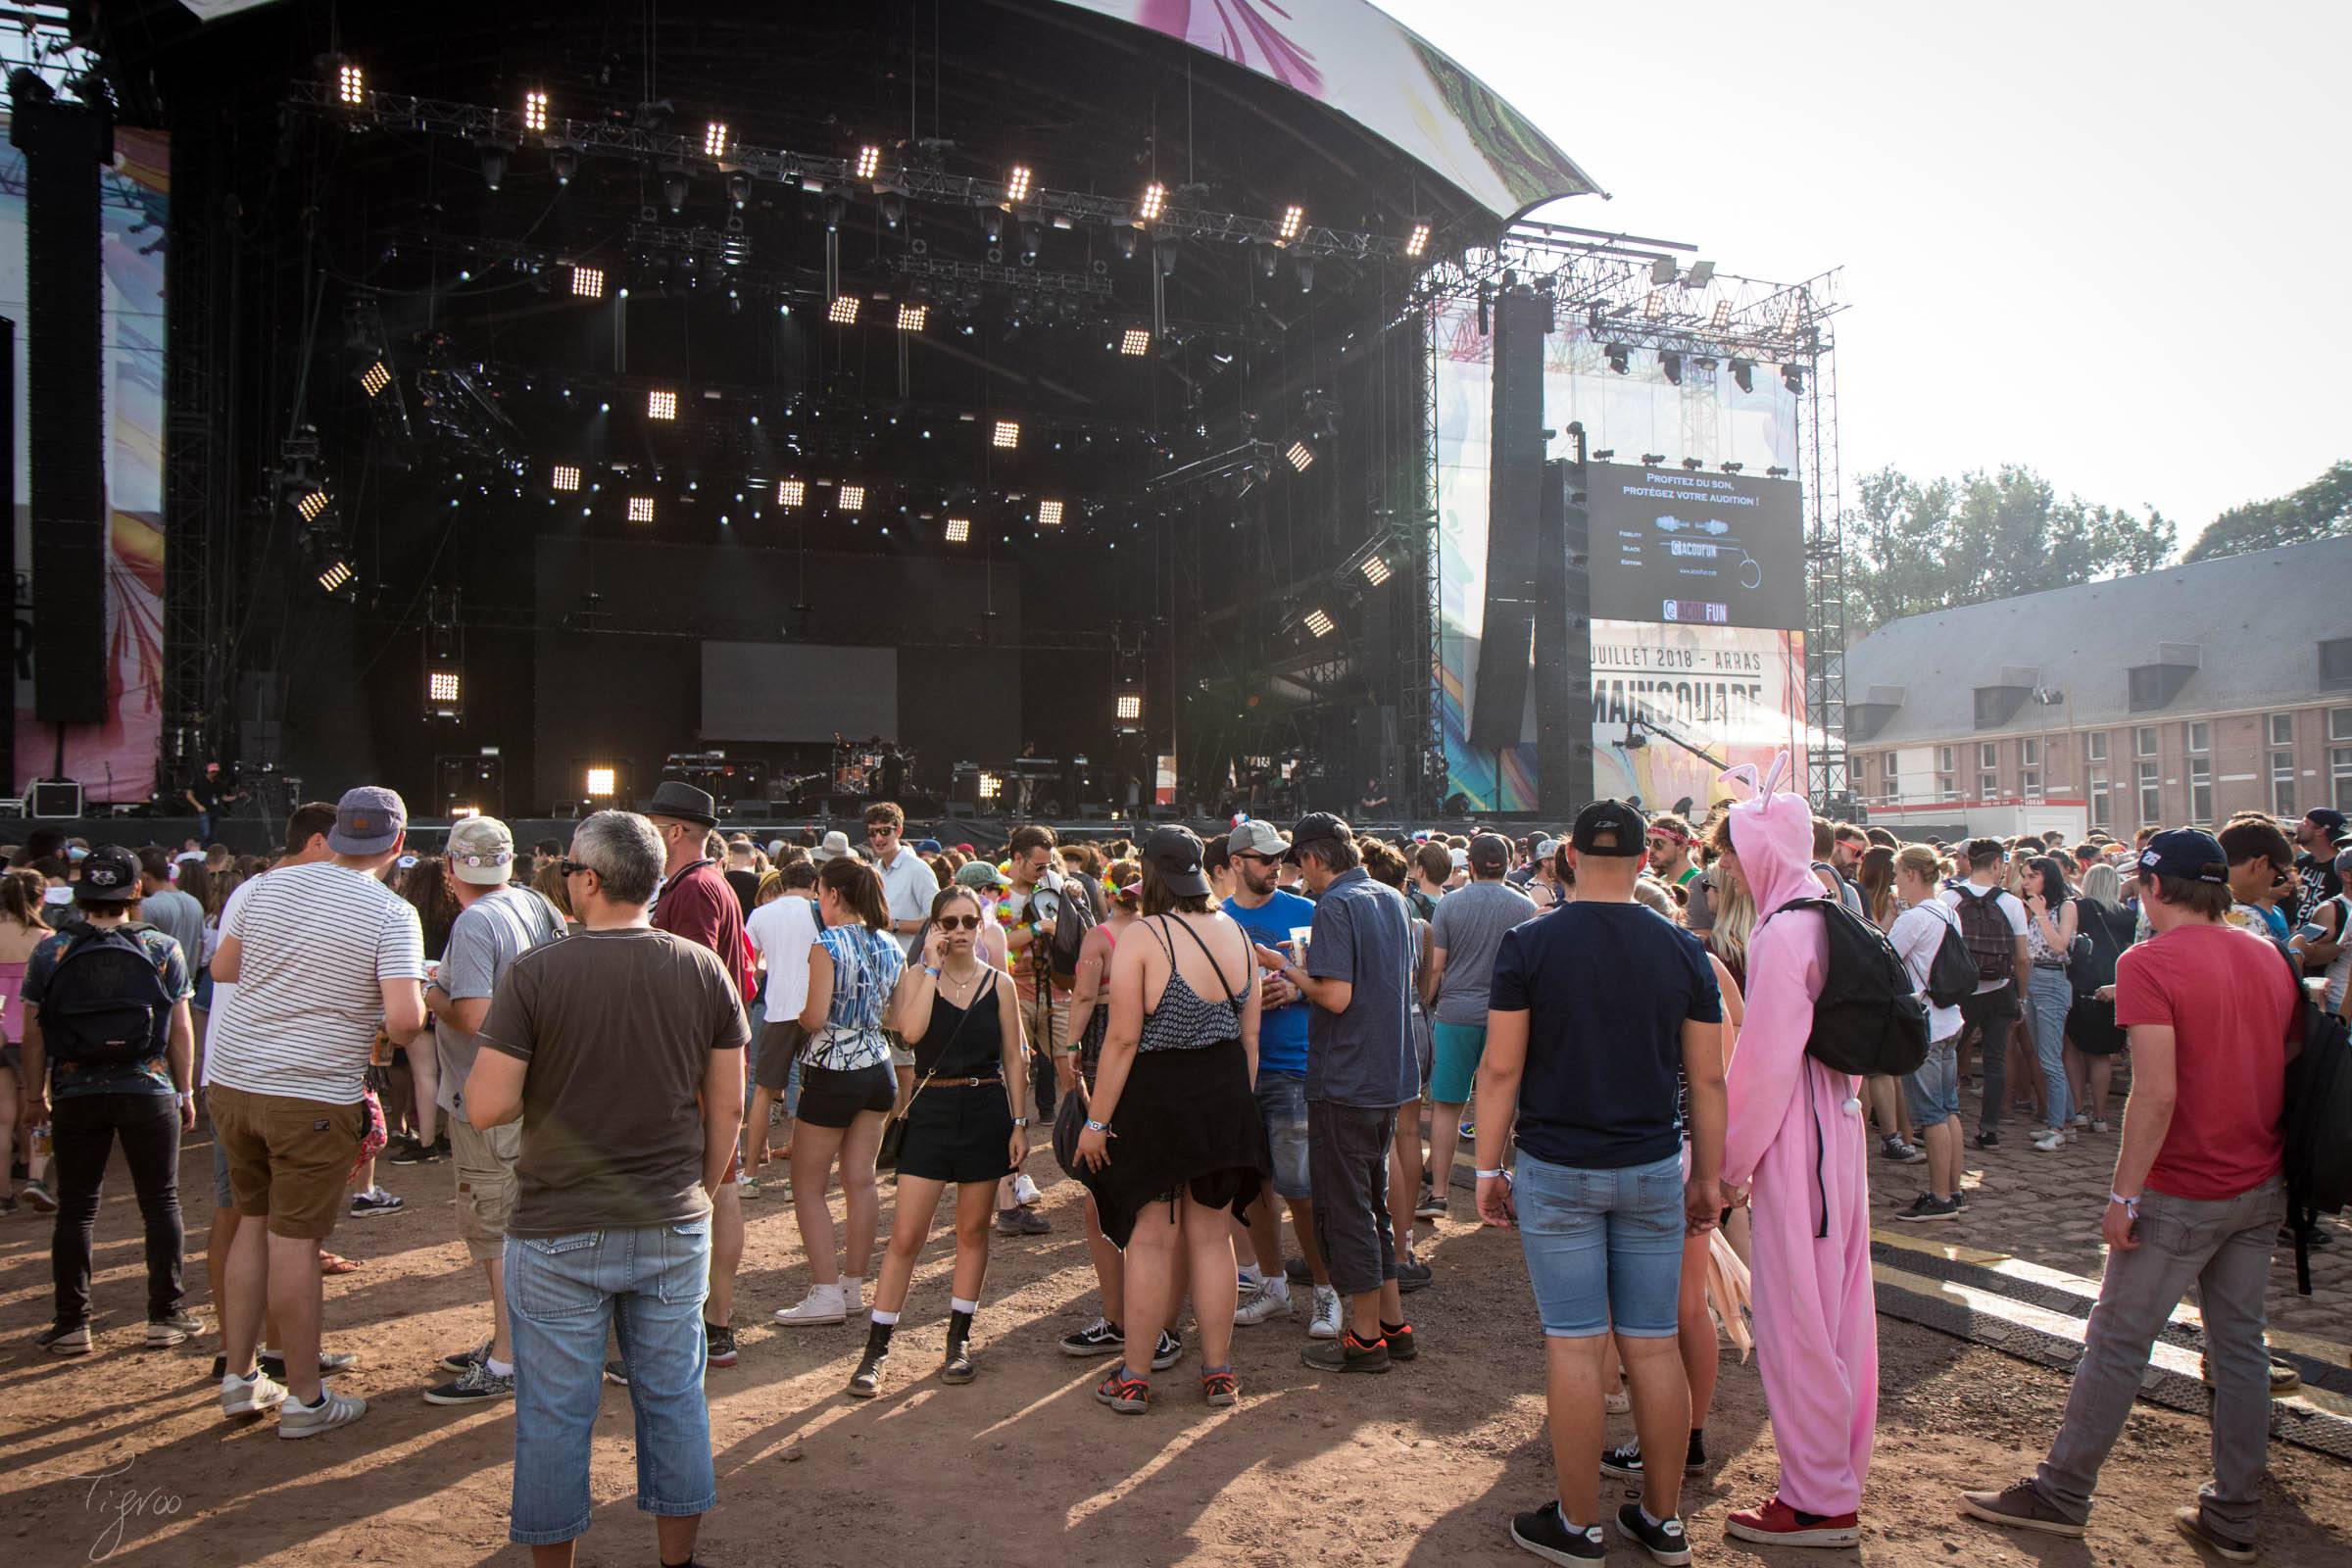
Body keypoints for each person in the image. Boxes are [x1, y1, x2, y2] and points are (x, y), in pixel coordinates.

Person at [1961, 829, 2300, 1562]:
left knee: (2116, 1341)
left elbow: (2153, 1095)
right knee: (2240, 1347)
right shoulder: (2265, 952)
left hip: (2182, 1186)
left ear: (2150, 888)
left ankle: (2061, 1492)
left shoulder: (2149, 960)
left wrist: (2123, 1195)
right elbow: (2284, 1051)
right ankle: (2235, 1512)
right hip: (2259, 1178)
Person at [461, 810, 746, 1568]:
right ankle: (676, 1561)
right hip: (671, 1217)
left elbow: (486, 1105)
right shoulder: (699, 967)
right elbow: (730, 1107)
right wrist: (704, 1191)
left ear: (587, 880)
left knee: (554, 1415)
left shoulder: (536, 974)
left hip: (558, 1223)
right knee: (673, 1399)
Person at [1474, 800, 1726, 1565]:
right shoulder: (1684, 950)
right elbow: (1708, 1080)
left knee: (1576, 1347)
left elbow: (1501, 1068)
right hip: (1652, 1163)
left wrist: (1487, 1167)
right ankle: (1662, 1519)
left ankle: (1578, 1524)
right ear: (1647, 860)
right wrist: (1708, 1177)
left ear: (1570, 858)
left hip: (1557, 1166)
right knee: (1652, 1347)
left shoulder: (1530, 944)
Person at [207, 786, 428, 1435]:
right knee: (295, 1242)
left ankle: (241, 1379)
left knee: (252, 1223)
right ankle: (305, 1400)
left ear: (331, 836)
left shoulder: (264, 887)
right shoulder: (391, 913)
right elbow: (407, 1024)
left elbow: (224, 968)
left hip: (235, 1080)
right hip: (310, 1092)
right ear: (397, 845)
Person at [1717, 760, 1877, 1550]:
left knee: (1796, 1321)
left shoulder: (1784, 931)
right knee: (1842, 1312)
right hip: (1837, 1131)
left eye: (1735, 851)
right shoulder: (1828, 908)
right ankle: (1832, 1481)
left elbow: (1764, 1066)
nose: (1726, 868)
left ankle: (1816, 1499)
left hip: (1798, 1140)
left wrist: (1723, 1170)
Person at [1075, 825, 1267, 1413]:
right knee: (1213, 1239)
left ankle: (1134, 1378)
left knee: (1151, 1240)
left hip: (1154, 1100)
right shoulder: (1235, 931)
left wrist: (1097, 1122)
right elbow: (1249, 1036)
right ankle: (1219, 1375)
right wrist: (1234, 1105)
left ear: (1151, 874)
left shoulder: (1141, 936)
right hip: (1223, 1097)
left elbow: (1123, 1040)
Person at [1252, 813, 1423, 1375]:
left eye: (1297, 861)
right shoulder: (1391, 896)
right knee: (1369, 1200)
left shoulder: (1335, 904)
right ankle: (1392, 1324)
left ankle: (1366, 1336)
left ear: (1315, 859)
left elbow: (1337, 996)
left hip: (1346, 1080)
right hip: (1387, 1075)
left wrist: (1285, 968)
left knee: (1346, 1207)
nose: (1296, 873)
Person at [851, 885, 1032, 1396]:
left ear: (981, 926)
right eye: (948, 922)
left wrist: (1019, 1123)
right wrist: (929, 968)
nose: (958, 932)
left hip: (984, 1111)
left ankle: (958, 1343)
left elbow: (1015, 1059)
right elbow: (910, 1033)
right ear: (934, 927)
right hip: (931, 1112)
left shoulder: (1000, 984)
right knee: (906, 1237)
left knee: (972, 1233)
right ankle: (876, 1351)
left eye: (967, 922)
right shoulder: (917, 976)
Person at [23, 846, 199, 1354]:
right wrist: (185, 1090)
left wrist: (36, 1094)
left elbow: (35, 1035)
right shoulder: (162, 948)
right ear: (134, 891)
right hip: (147, 1086)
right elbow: (180, 1030)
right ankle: (165, 1315)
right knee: (160, 1201)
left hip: (77, 1089)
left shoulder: (51, 950)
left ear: (80, 896)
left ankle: (73, 1322)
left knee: (76, 1209)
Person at [418, 815, 565, 1407]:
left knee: (498, 1229)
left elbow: (479, 1018)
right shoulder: (533, 903)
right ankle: (515, 1343)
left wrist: (432, 994)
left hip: (493, 1095)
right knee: (522, 1224)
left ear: (452, 866)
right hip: (531, 1089)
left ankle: (508, 1359)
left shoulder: (476, 920)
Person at [642, 779, 755, 1370]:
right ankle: (715, 1327)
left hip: (698, 1059)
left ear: (675, 832)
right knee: (722, 1184)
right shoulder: (708, 883)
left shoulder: (694, 888)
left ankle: (705, 1326)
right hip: (715, 1053)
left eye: (654, 827)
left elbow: (688, 982)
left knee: (706, 1190)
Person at [770, 856, 903, 1328]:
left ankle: (825, 1290)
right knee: (861, 1180)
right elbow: (898, 1019)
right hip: (877, 1065)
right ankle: (850, 1287)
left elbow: (814, 1017)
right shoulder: (890, 943)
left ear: (833, 895)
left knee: (807, 1185)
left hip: (833, 1066)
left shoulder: (827, 944)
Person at [1220, 819, 1335, 1336]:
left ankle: (1326, 1292)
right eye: (1265, 859)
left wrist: (1297, 988)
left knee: (1301, 1191)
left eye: (1279, 859)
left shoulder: (1306, 911)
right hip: (1238, 1073)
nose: (1276, 867)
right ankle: (1273, 1286)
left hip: (1293, 1067)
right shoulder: (1217, 920)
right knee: (1252, 1191)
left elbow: (1334, 984)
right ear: (1238, 863)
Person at [1422, 832, 1537, 1219]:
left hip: (1455, 1014)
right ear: (1508, 863)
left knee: (1447, 1105)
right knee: (1504, 1104)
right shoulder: (1525, 906)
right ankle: (1501, 1187)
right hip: (1508, 1020)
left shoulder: (1450, 904)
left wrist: (1424, 1005)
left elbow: (1436, 966)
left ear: (1468, 865)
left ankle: (1438, 1194)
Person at [1887, 847, 1967, 1220]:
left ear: (1913, 875)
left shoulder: (1914, 917)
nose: (1896, 880)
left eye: (1899, 873)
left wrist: (1889, 920)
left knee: (1931, 1115)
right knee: (1949, 1109)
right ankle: (1953, 1188)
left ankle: (1939, 1197)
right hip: (1949, 1018)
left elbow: (1885, 961)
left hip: (1926, 1025)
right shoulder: (1947, 910)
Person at [1943, 838, 2031, 1151]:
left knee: (1948, 1056)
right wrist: (2021, 996)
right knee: (1995, 1061)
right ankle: (1989, 1128)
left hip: (1961, 991)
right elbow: (2022, 957)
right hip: (2000, 989)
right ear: (1996, 864)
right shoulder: (2011, 903)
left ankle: (1943, 1120)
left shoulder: (1949, 897)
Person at [746, 858, 821, 1175]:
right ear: (814, 885)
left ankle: (750, 1172)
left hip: (776, 1010)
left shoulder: (761, 914)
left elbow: (750, 960)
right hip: (815, 1011)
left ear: (783, 883)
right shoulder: (820, 913)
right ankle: (797, 1176)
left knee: (764, 1088)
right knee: (807, 1090)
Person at [387, 856, 458, 1165]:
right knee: (454, 1070)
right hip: (452, 995)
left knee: (424, 1073)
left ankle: (426, 1140)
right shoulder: (459, 914)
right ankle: (449, 1135)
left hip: (419, 994)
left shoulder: (406, 914)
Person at [2066, 861, 2136, 1131]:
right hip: (2114, 985)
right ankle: (2100, 1116)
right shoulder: (2127, 915)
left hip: (2080, 983)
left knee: (2072, 1049)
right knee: (2101, 1055)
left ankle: (2078, 1109)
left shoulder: (2079, 908)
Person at [2020, 855, 2080, 1152]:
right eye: (2025, 875)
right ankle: (2065, 1121)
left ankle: (2058, 1127)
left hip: (2053, 980)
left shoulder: (2065, 906)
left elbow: (2059, 945)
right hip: (2035, 979)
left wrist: (2041, 914)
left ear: (2047, 877)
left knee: (2050, 1058)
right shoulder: (2037, 906)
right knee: (2044, 1054)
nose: (2025, 881)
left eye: (2032, 876)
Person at [0, 867, 50, 1213]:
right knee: (41, 1113)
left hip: (1, 1034)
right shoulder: (48, 940)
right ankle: (36, 1178)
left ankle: (2, 1194)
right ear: (41, 899)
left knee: (3, 1120)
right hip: (37, 1036)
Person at [136, 848, 208, 977]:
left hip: (157, 986)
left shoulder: (148, 906)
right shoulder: (195, 903)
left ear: (144, 876)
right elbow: (200, 947)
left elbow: (137, 948)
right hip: (186, 986)